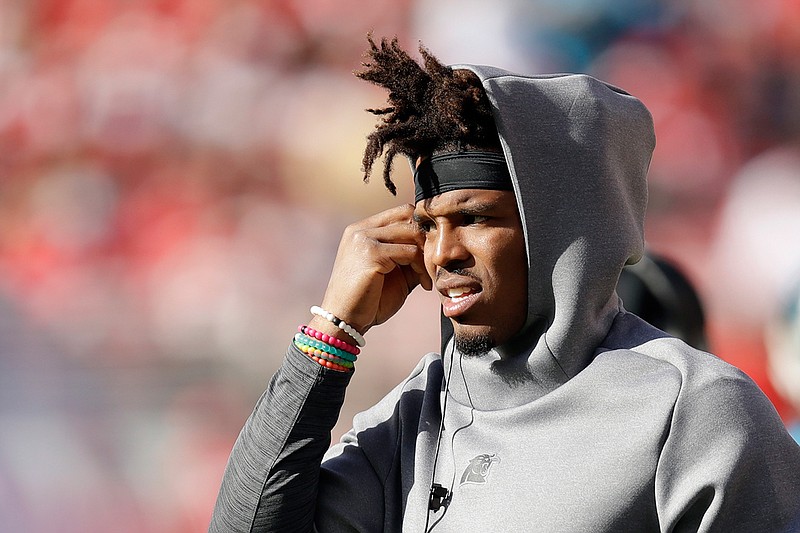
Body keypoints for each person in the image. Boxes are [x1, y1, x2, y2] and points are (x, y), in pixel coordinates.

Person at [209, 36, 800, 532]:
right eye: (427, 225)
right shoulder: (419, 418)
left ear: (558, 227)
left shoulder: (694, 408)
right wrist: (330, 331)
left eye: (473, 218)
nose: (441, 254)